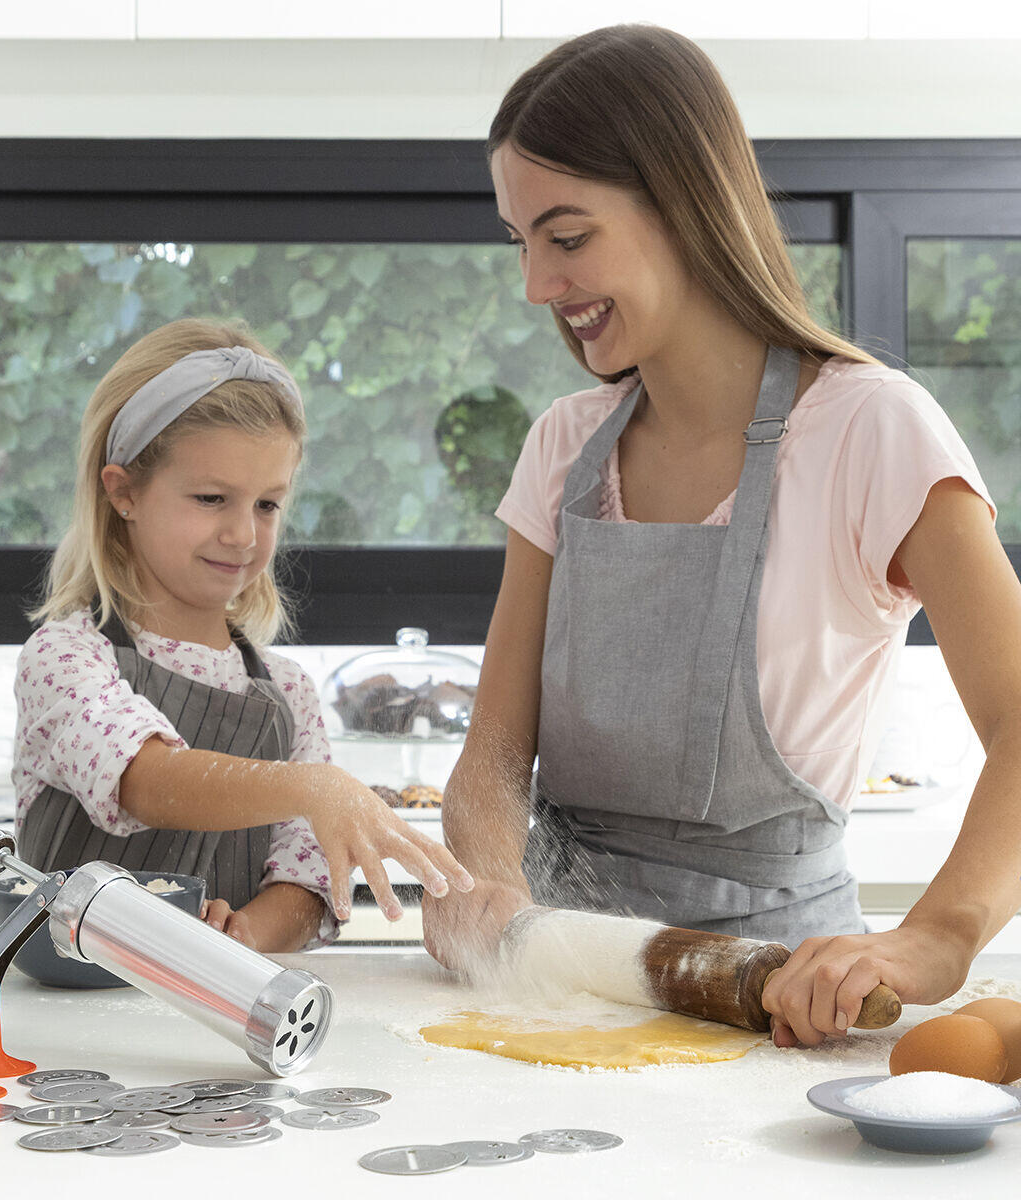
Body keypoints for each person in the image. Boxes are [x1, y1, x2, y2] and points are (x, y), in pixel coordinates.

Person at [422, 24, 1021, 1048]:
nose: (535, 285)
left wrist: (939, 936)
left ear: (686, 204)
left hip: (780, 1008)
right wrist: (494, 894)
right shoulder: (564, 446)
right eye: (521, 243)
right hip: (563, 992)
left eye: (566, 238)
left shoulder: (871, 429)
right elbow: (491, 758)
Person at [14, 317, 472, 952]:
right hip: (57, 1017)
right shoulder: (66, 658)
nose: (244, 535)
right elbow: (144, 779)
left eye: (266, 504)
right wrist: (313, 788)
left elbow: (310, 885)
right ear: (124, 493)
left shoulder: (287, 694)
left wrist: (243, 936)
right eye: (210, 498)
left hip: (218, 1024)